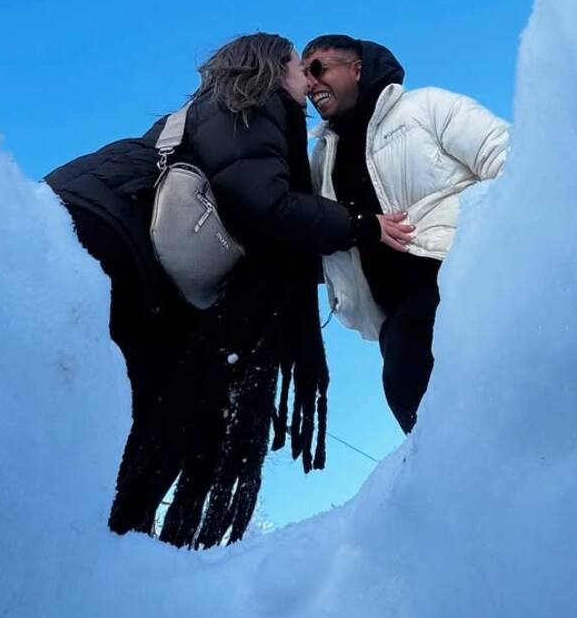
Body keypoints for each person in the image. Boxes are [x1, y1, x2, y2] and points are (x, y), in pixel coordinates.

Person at [45, 33, 411, 548]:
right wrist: (361, 225)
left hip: (112, 238)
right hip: (107, 226)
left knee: (123, 409)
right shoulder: (248, 101)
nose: (308, 81)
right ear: (269, 65)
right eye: (298, 67)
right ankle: (112, 536)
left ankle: (102, 542)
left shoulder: (222, 112)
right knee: (151, 410)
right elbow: (264, 202)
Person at [303, 35, 510, 433]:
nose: (311, 83)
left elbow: (504, 154)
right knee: (411, 399)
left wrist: (511, 246)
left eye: (319, 68)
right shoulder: (322, 159)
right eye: (304, 74)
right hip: (390, 316)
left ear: (356, 69)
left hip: (458, 277)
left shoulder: (426, 107)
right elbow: (317, 233)